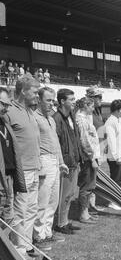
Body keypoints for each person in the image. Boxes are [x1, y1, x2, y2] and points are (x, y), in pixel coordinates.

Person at [6, 75, 41, 257]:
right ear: (23, 91)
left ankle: (26, 245)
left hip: (34, 168)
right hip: (21, 170)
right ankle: (18, 249)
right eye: (34, 92)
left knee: (31, 208)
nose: (37, 95)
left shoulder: (29, 111)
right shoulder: (9, 111)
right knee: (20, 210)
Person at [33, 87, 69, 250]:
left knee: (53, 200)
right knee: (43, 200)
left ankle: (47, 232)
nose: (51, 103)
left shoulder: (51, 119)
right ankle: (38, 236)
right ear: (39, 100)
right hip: (43, 161)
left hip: (54, 160)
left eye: (53, 100)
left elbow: (56, 143)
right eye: (48, 100)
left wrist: (61, 162)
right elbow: (34, 144)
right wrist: (39, 164)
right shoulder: (35, 118)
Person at [53, 89, 82, 235]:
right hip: (65, 162)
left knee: (70, 194)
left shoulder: (70, 115)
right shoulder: (56, 118)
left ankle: (64, 221)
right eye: (71, 99)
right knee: (63, 195)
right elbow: (57, 142)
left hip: (74, 160)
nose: (74, 101)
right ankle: (59, 223)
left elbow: (75, 138)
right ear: (62, 101)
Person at [0, 88, 27, 231]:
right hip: (0, 179)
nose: (6, 108)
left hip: (9, 178)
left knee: (8, 217)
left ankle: (7, 252)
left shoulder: (5, 123)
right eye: (3, 104)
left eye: (8, 105)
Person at [76, 97, 101, 224]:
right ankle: (83, 214)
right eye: (91, 106)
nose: (93, 108)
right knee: (86, 186)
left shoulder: (86, 118)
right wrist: (91, 158)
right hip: (87, 157)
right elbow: (84, 140)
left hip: (91, 156)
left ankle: (86, 212)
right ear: (85, 106)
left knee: (90, 185)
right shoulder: (80, 119)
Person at [105, 100, 121, 188]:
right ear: (116, 110)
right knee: (115, 181)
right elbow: (111, 141)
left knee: (120, 180)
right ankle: (113, 201)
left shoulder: (119, 120)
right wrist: (116, 157)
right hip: (115, 157)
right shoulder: (111, 121)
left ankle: (119, 201)